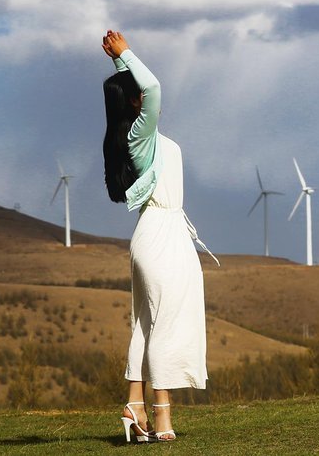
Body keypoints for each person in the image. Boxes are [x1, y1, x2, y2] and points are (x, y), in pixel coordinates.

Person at [101, 30, 219, 443]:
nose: (148, 100)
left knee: (147, 326)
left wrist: (119, 66)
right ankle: (163, 417)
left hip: (162, 231)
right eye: (138, 97)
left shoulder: (137, 135)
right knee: (163, 324)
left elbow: (140, 90)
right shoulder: (140, 136)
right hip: (160, 233)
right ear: (135, 103)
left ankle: (135, 407)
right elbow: (152, 87)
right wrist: (125, 54)